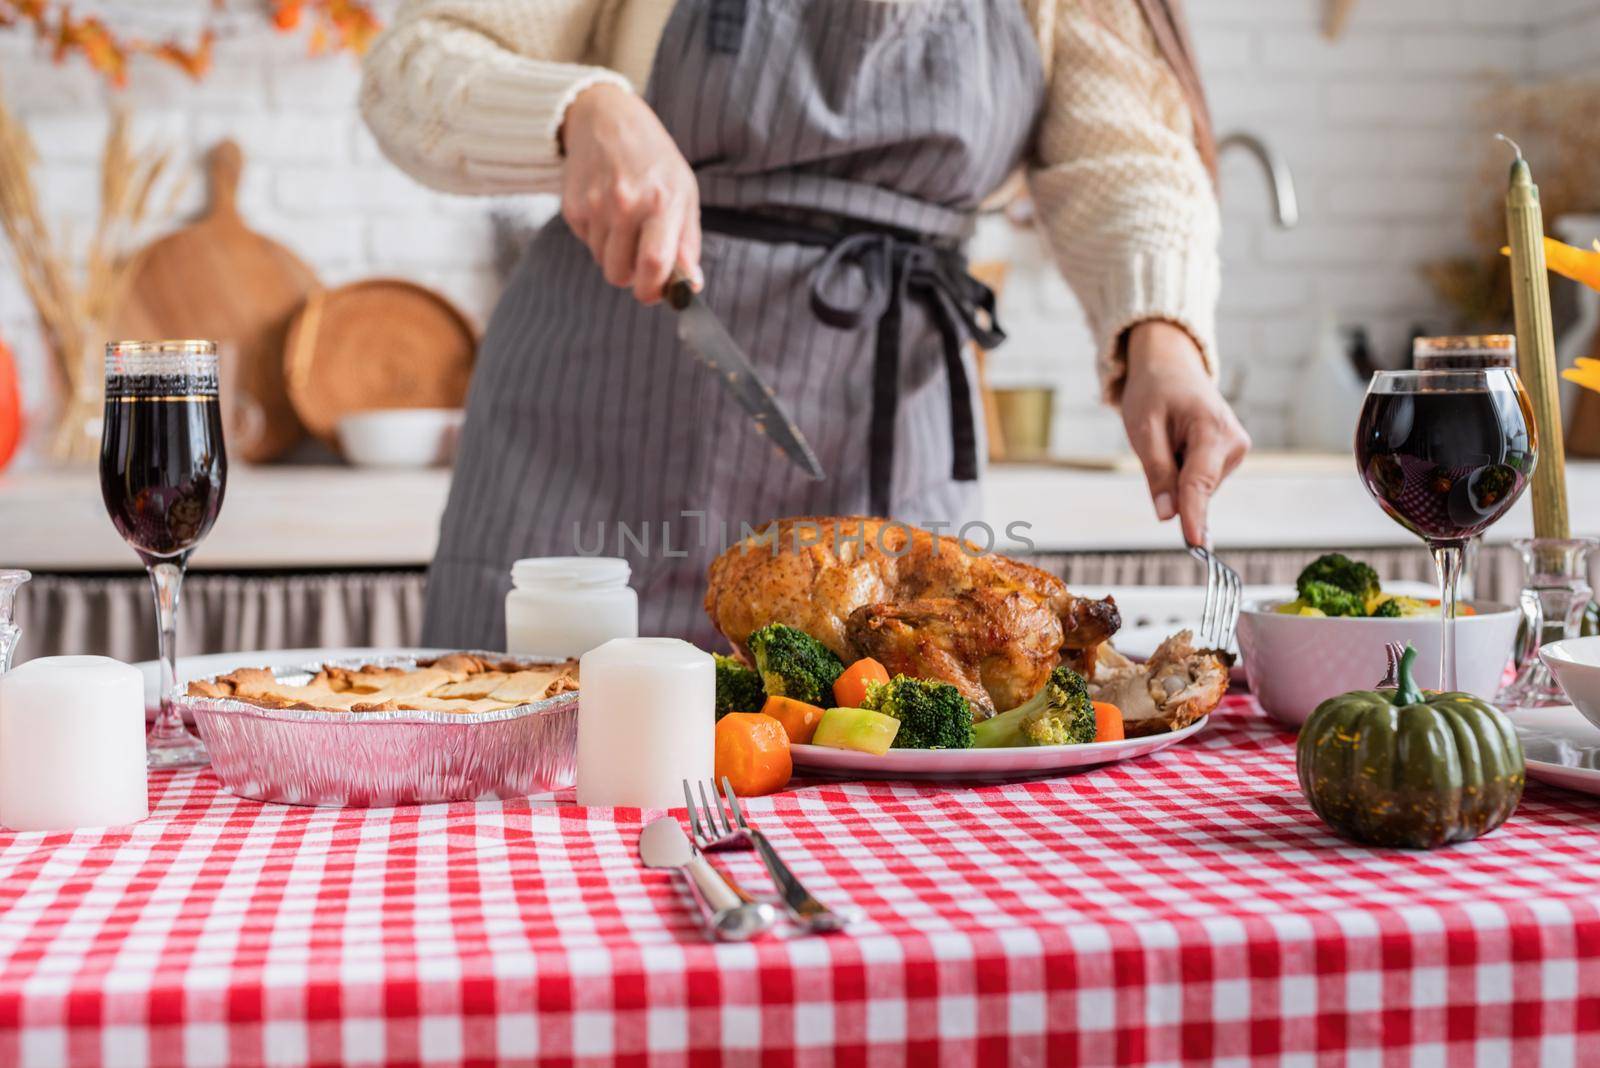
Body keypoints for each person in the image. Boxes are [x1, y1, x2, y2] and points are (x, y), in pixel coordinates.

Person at [361, 0, 1251, 650]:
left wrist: (1161, 342)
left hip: (888, 436)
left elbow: (1127, 151)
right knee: (526, 791)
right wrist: (582, 110)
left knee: (894, 794)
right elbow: (414, 66)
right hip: (595, 429)